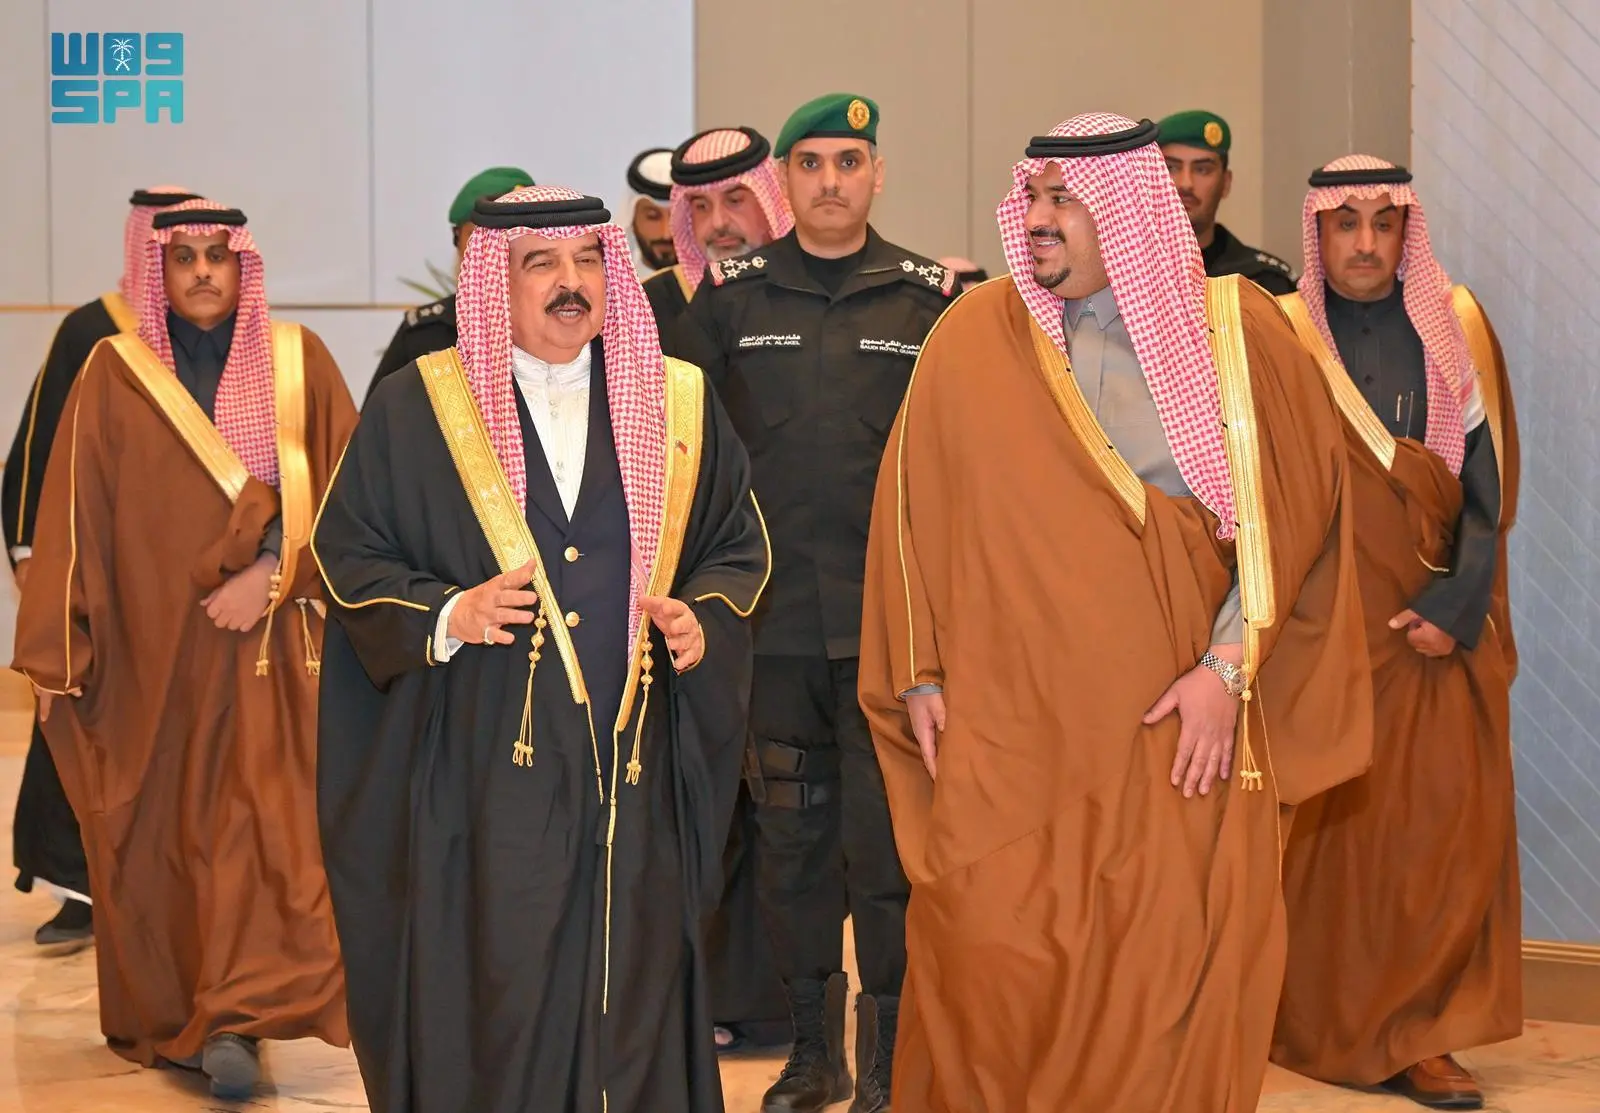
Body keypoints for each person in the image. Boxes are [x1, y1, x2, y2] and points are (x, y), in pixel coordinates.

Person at [858, 113, 1374, 1113]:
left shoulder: (1237, 334)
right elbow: (912, 507)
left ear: (1128, 212)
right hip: (1006, 732)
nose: (1036, 219)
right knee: (989, 956)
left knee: (1159, 972)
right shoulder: (973, 335)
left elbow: (1293, 513)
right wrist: (916, 670)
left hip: (1168, 730)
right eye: (1032, 197)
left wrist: (1228, 666)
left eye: (1064, 200)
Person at [312, 185, 770, 1113]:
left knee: (635, 973)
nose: (572, 282)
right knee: (503, 977)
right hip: (484, 764)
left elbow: (737, 545)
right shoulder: (417, 408)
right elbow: (348, 553)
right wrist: (449, 612)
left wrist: (702, 616)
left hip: (634, 763)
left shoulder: (676, 400)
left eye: (588, 259)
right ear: (496, 281)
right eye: (542, 263)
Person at [11, 199, 356, 1098]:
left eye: (219, 255)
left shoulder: (300, 364)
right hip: (150, 660)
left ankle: (238, 1015)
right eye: (185, 257)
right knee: (165, 835)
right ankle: (184, 1013)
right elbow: (74, 512)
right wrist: (56, 655)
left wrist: (272, 570)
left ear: (245, 266)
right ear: (156, 270)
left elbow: (350, 495)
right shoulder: (112, 373)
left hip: (268, 656)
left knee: (264, 828)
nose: (203, 271)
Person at [675, 92, 956, 1113]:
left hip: (893, 636)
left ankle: (884, 1060)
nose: (830, 180)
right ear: (784, 180)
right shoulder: (729, 300)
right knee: (792, 855)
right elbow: (683, 454)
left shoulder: (930, 300)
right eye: (811, 163)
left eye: (849, 161)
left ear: (877, 173)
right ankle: (812, 1055)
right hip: (772, 630)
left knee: (885, 853)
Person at [1272, 155, 1522, 1111]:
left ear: (1406, 231)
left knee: (1433, 834)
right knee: (1329, 837)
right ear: (1318, 232)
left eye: (1385, 223)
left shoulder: (1453, 325)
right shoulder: (1283, 333)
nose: (1366, 243)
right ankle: (1318, 1019)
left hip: (1428, 626)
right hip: (1318, 626)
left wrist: (1454, 610)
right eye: (1347, 224)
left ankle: (1423, 1035)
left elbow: (1486, 489)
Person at [4, 185, 198, 948]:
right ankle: (76, 885)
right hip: (103, 574)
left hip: (193, 580)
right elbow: (38, 448)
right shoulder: (94, 330)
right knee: (81, 715)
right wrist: (31, 555)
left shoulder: (225, 341)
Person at [366, 165, 536, 401]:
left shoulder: (566, 328)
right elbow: (378, 419)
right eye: (479, 237)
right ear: (458, 243)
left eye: (512, 236)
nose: (495, 249)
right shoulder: (425, 333)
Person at [642, 127, 793, 341]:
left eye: (734, 201)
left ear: (769, 202)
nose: (718, 223)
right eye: (701, 206)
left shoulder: (810, 288)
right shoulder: (651, 303)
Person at [1156, 110, 1296, 294]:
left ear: (1226, 183)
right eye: (1171, 167)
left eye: (1202, 170)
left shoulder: (1265, 281)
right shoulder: (1126, 272)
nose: (1186, 184)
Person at [625, 146, 677, 275]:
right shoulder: (610, 284)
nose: (667, 234)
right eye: (653, 217)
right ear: (632, 219)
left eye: (676, 216)